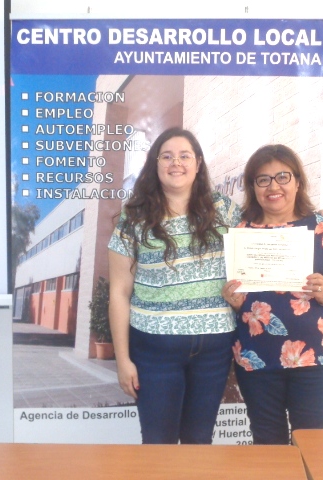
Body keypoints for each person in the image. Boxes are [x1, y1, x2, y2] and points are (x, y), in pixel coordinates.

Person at [107, 127, 242, 444]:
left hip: (214, 349)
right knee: (157, 445)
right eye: (166, 156)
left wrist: (316, 219)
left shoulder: (225, 210)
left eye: (184, 156)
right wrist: (123, 359)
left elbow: (266, 237)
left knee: (199, 442)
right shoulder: (134, 217)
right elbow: (119, 292)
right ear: (155, 164)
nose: (175, 163)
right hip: (154, 351)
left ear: (198, 164)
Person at [222, 144, 323, 445]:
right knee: (267, 445)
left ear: (298, 182)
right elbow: (228, 293)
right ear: (253, 188)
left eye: (282, 177)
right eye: (263, 179)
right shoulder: (239, 231)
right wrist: (231, 301)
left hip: (314, 358)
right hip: (255, 359)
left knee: (312, 447)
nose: (274, 186)